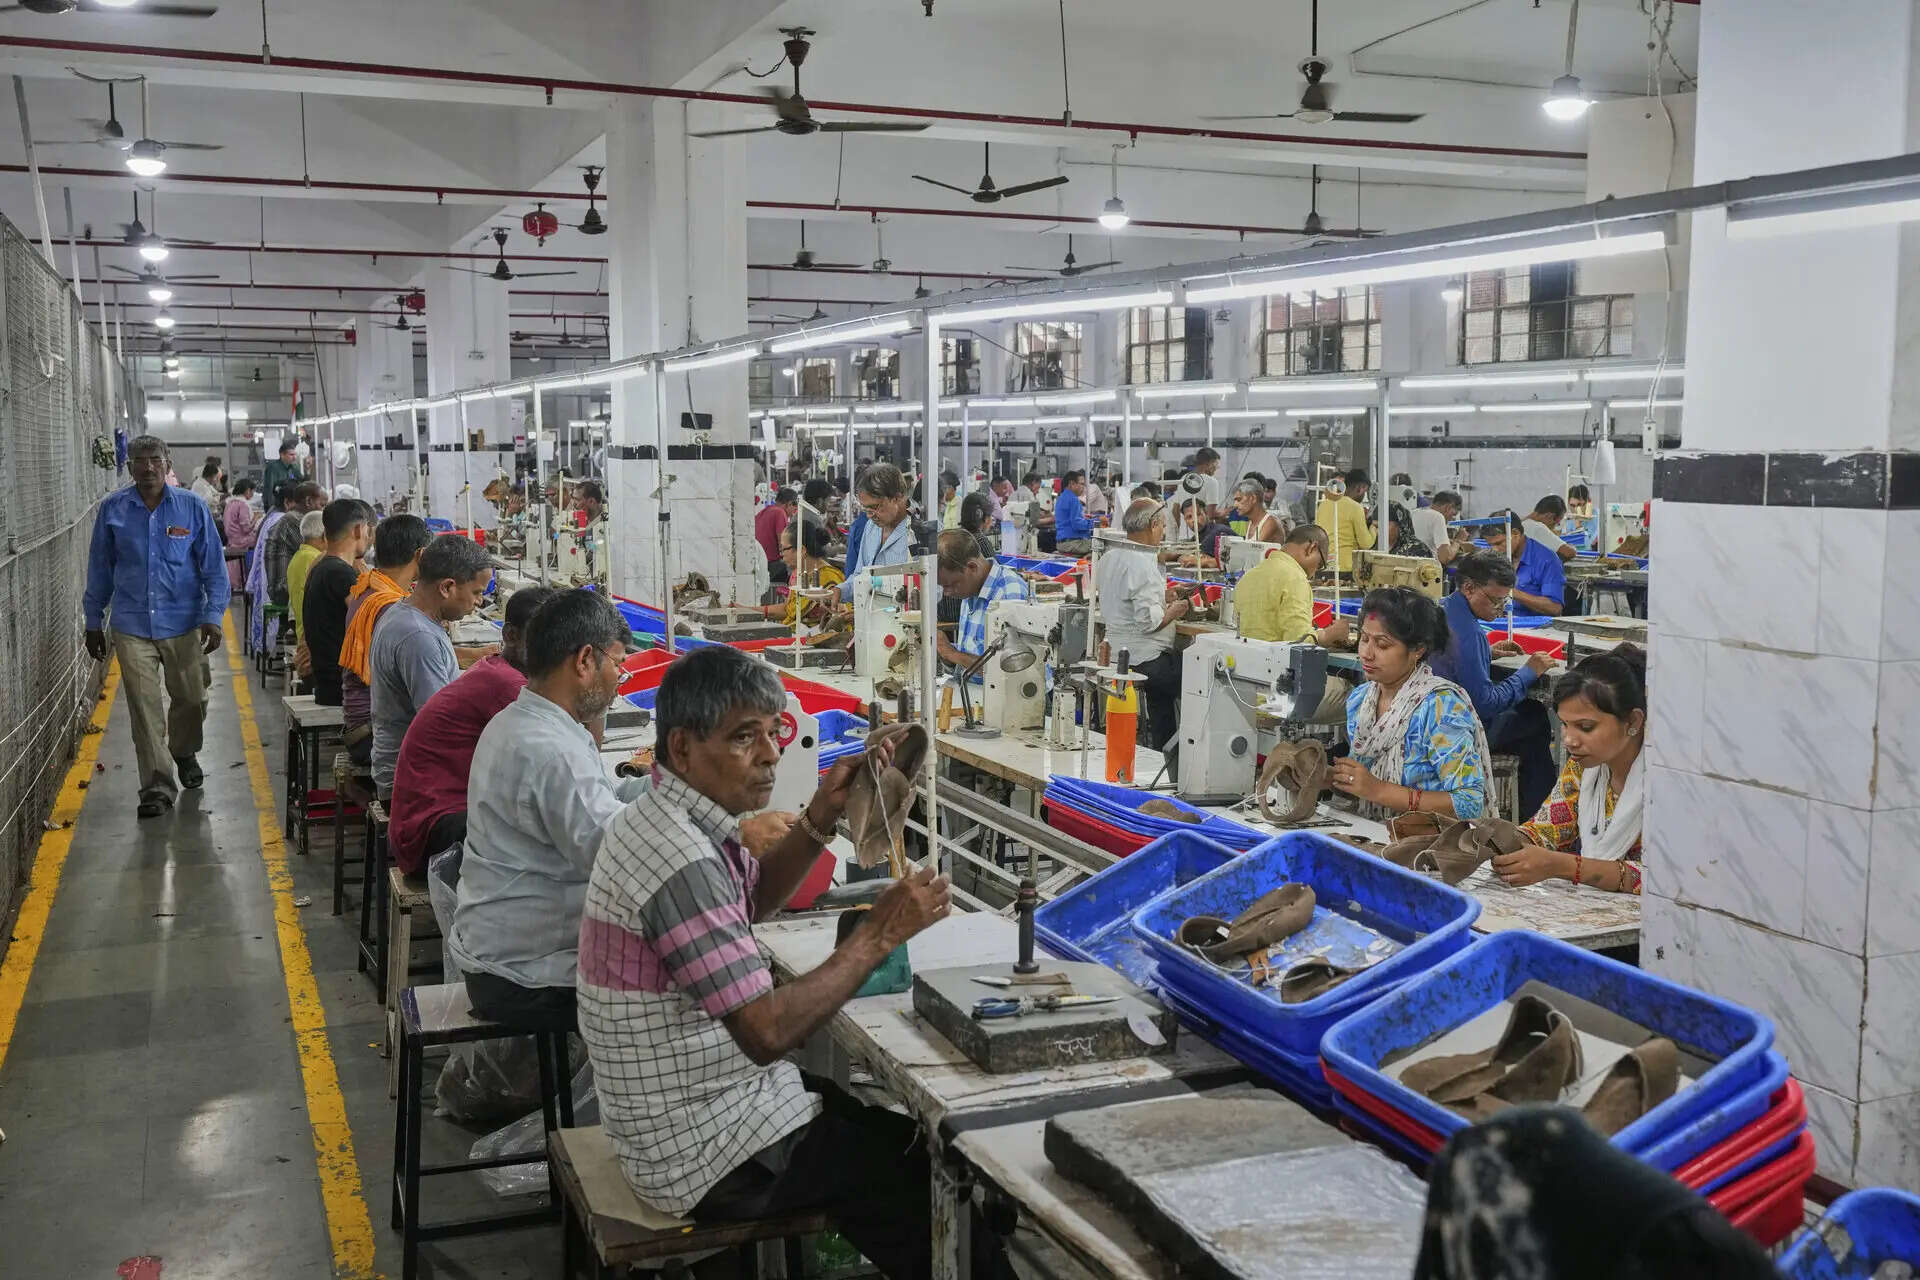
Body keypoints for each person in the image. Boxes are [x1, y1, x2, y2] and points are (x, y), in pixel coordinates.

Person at [578, 646, 978, 1280]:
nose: (769, 755)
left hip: (692, 1109)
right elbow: (765, 1032)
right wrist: (876, 935)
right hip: (699, 1151)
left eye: (773, 733)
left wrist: (820, 817)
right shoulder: (680, 858)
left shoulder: (674, 820)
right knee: (922, 1185)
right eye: (744, 738)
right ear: (682, 749)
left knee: (894, 1135)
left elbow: (753, 902)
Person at [446, 590, 649, 1029]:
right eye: (618, 664)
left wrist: (673, 787)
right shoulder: (549, 749)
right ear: (584, 662)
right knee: (688, 986)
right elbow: (618, 855)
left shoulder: (523, 722)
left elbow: (609, 795)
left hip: (501, 947)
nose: (620, 680)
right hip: (525, 975)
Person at [83, 435, 230, 818]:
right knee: (144, 711)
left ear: (167, 463)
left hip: (183, 624)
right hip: (132, 626)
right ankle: (157, 788)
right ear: (128, 466)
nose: (147, 467)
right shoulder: (113, 510)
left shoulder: (191, 508)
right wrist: (92, 620)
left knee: (193, 699)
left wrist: (213, 616)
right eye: (138, 460)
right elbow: (99, 569)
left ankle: (183, 750)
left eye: (154, 459)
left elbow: (214, 569)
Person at [388, 586, 560, 876]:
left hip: (421, 819)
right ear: (510, 636)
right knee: (549, 836)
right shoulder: (507, 685)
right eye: (540, 638)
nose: (552, 651)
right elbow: (558, 759)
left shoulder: (496, 669)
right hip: (430, 830)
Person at [1493, 647, 1648, 895]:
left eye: (1585, 727)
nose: (1569, 740)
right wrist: (1487, 841)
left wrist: (1564, 866)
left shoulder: (1669, 785)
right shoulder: (1583, 768)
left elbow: (1665, 881)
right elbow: (1544, 832)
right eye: (1564, 725)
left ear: (1633, 722)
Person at [1328, 587, 1491, 820]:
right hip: (1376, 830)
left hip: (1430, 844)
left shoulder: (1440, 708)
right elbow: (1362, 779)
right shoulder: (1361, 701)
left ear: (1417, 650)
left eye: (1382, 645)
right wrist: (1323, 777)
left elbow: (1469, 803)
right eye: (1364, 639)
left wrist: (1379, 790)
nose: (1367, 653)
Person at [1429, 552, 1558, 819]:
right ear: (1468, 587)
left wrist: (1486, 652)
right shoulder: (1470, 633)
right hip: (1458, 733)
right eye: (1495, 600)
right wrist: (1528, 672)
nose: (1500, 608)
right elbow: (1486, 704)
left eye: (1504, 601)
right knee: (1535, 717)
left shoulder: (1442, 609)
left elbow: (1453, 658)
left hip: (1433, 718)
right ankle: (1532, 819)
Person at [369, 533, 493, 798]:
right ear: (447, 587)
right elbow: (440, 726)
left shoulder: (406, 613)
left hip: (407, 768)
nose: (480, 602)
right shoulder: (418, 637)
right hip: (412, 785)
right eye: (476, 592)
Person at [1097, 499, 1191, 749]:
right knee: (1201, 681)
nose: (1162, 534)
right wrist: (1175, 610)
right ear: (1153, 524)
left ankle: (1162, 751)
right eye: (1162, 527)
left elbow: (1127, 600)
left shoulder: (1110, 556)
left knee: (1162, 697)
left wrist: (1163, 597)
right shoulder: (1142, 563)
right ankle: (1180, 755)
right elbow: (1150, 623)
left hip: (1117, 652)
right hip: (1144, 659)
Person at [340, 515, 431, 752]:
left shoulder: (368, 587)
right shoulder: (390, 607)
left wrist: (471, 653)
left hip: (359, 721)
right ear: (421, 555)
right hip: (371, 734)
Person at [302, 499, 374, 708]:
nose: (368, 538)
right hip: (341, 688)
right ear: (359, 530)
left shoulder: (322, 568)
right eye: (368, 531)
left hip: (327, 685)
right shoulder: (340, 573)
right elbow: (371, 623)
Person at [1233, 525, 1349, 647]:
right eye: (1319, 564)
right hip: (1274, 663)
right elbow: (1299, 642)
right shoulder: (1295, 579)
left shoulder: (1248, 576)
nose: (1314, 572)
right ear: (1312, 548)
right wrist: (1329, 635)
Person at [933, 529, 1032, 672]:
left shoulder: (1009, 594)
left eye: (951, 584)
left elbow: (1011, 668)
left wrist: (953, 654)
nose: (946, 593)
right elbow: (973, 652)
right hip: (972, 689)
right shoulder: (971, 589)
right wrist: (944, 652)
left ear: (972, 567)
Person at [839, 464, 915, 601]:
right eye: (866, 509)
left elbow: (934, 591)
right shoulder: (871, 527)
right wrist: (840, 591)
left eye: (874, 507)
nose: (869, 515)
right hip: (872, 615)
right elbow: (860, 575)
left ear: (897, 498)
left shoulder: (919, 533)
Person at [758, 520, 844, 626]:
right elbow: (789, 610)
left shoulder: (829, 577)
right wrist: (748, 610)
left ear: (802, 550)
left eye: (783, 549)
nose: (781, 554)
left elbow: (839, 620)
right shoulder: (801, 574)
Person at [1486, 512, 1566, 617]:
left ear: (1515, 533)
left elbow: (1555, 608)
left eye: (1498, 543)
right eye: (1490, 545)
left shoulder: (1547, 560)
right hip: (1503, 621)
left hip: (1535, 628)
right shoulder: (1499, 556)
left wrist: (1511, 592)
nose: (1494, 549)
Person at [267, 481, 327, 607]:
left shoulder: (292, 518)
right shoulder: (295, 521)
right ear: (308, 501)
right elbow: (322, 550)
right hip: (284, 591)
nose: (324, 511)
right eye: (322, 505)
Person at [1315, 467, 1376, 573]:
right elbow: (1366, 543)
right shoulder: (1355, 507)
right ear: (1360, 488)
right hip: (1345, 568)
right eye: (1365, 492)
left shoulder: (1323, 505)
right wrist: (1373, 528)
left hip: (1323, 564)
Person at [285, 510, 326, 641]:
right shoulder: (316, 559)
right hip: (313, 634)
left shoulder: (298, 557)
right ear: (325, 536)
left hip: (303, 630)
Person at [223, 477, 259, 593]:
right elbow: (246, 528)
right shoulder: (242, 505)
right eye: (252, 491)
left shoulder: (230, 503)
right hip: (242, 540)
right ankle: (254, 578)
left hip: (232, 539)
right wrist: (256, 518)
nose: (252, 494)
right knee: (262, 540)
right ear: (248, 490)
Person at [1229, 478, 1286, 544]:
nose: (1235, 505)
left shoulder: (1270, 523)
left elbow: (1253, 551)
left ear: (1253, 499)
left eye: (1239, 500)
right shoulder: (1250, 523)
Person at [1524, 494, 1579, 563]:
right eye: (1557, 523)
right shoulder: (1538, 527)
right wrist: (1571, 546)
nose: (1554, 528)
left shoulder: (1522, 523)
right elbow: (1570, 552)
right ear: (1549, 516)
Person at [1414, 490, 1462, 567]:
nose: (1451, 519)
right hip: (1425, 571)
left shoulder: (1414, 512)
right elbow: (1445, 558)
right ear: (1447, 507)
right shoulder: (1438, 517)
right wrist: (1458, 541)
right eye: (1453, 514)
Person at [1052, 470, 1094, 555]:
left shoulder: (1061, 498)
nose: (1083, 487)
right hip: (1073, 544)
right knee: (1102, 547)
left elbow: (1068, 519)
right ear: (1072, 484)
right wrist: (1094, 523)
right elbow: (1077, 524)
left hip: (1062, 544)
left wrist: (1083, 518)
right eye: (1081, 484)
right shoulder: (1073, 499)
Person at [754, 486, 796, 570]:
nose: (792, 514)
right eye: (793, 509)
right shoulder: (780, 512)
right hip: (771, 565)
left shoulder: (763, 512)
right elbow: (783, 544)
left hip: (759, 562)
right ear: (789, 504)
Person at [1186, 447, 1224, 523]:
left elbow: (1175, 510)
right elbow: (1210, 514)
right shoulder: (1211, 482)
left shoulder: (1184, 478)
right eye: (1216, 464)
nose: (1217, 467)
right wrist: (1223, 513)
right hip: (1201, 531)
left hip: (1183, 532)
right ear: (1208, 464)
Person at [262, 438, 302, 509]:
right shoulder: (273, 468)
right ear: (282, 455)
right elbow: (269, 489)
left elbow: (302, 482)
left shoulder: (294, 468)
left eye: (295, 455)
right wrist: (270, 508)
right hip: (277, 505)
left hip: (291, 505)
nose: (294, 457)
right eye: (291, 455)